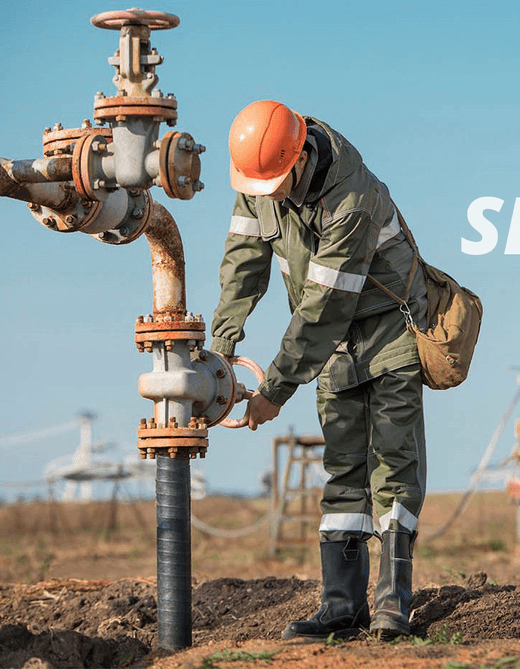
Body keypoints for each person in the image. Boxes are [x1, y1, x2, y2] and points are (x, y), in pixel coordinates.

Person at [210, 100, 428, 640]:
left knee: (392, 467)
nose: (269, 198)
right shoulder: (258, 172)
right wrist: (221, 344)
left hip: (388, 334)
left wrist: (273, 392)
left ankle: (391, 606)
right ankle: (340, 607)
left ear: (300, 155)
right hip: (332, 348)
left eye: (276, 186)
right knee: (343, 471)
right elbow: (244, 262)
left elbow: (322, 309)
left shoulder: (350, 197)